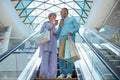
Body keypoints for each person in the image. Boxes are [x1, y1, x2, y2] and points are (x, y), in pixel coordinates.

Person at [57, 8, 79, 78]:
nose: (63, 13)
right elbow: (58, 32)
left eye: (64, 11)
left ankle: (69, 73)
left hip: (70, 38)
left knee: (70, 56)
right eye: (61, 12)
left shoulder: (72, 19)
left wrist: (71, 32)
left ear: (67, 12)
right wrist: (60, 26)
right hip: (62, 39)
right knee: (61, 57)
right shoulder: (61, 21)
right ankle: (62, 73)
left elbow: (77, 28)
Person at [39, 13, 58, 78]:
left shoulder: (55, 27)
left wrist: (56, 34)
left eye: (55, 17)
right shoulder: (45, 23)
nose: (54, 18)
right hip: (46, 45)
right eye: (53, 16)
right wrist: (52, 26)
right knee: (44, 61)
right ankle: (43, 75)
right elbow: (41, 32)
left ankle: (52, 76)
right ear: (49, 17)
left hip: (53, 46)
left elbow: (57, 37)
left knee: (53, 61)